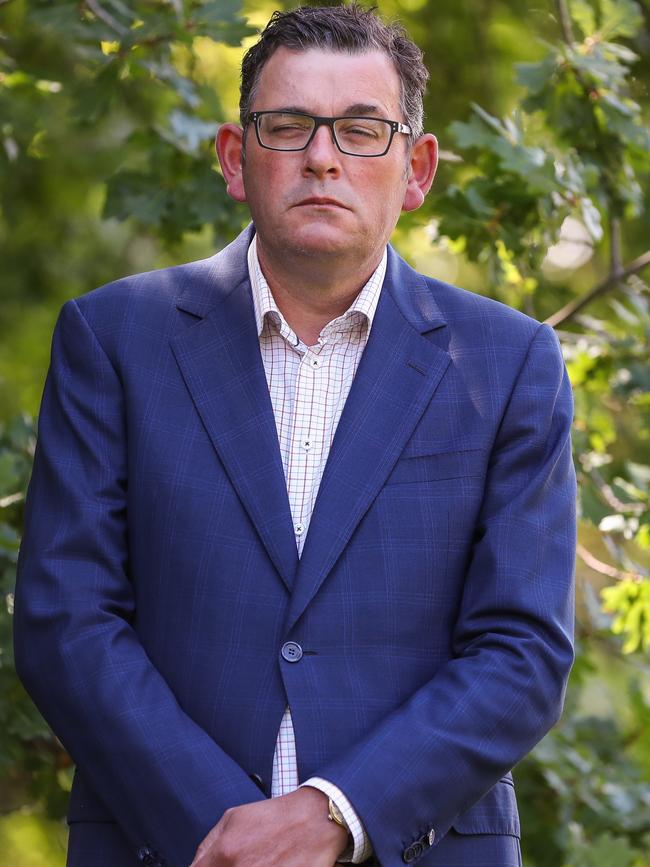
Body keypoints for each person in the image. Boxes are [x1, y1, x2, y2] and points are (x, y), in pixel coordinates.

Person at [13, 5, 576, 867]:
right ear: (236, 160)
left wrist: (331, 815)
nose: (322, 156)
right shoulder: (116, 338)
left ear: (416, 168)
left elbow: (522, 650)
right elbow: (66, 621)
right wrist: (230, 836)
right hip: (166, 850)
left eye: (359, 130)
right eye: (288, 127)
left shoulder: (507, 363)